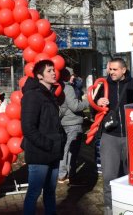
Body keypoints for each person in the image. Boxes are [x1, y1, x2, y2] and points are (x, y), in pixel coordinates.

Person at [95, 58, 133, 214]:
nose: (111, 72)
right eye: (110, 69)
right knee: (109, 176)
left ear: (123, 70)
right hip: (110, 136)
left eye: (114, 69)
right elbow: (94, 113)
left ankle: (130, 208)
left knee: (131, 175)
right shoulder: (103, 86)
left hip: (131, 135)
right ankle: (109, 208)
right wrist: (98, 103)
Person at [21, 59, 66, 215]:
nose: (54, 73)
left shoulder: (50, 95)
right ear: (39, 76)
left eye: (54, 70)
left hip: (53, 151)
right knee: (34, 193)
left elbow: (51, 123)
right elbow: (28, 128)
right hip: (39, 153)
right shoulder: (32, 96)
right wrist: (48, 144)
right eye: (49, 71)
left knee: (50, 192)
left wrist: (60, 139)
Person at [57, 67, 90, 184]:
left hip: (64, 122)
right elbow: (75, 106)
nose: (73, 77)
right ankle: (71, 175)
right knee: (72, 150)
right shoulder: (68, 88)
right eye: (71, 75)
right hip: (73, 122)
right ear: (66, 76)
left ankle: (61, 175)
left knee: (64, 149)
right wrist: (89, 101)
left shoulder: (58, 87)